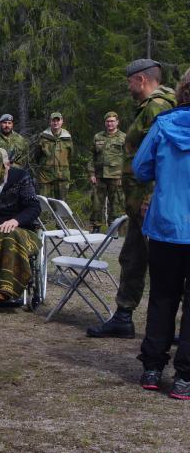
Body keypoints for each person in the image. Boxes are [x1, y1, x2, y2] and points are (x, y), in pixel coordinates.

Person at [87, 59, 176, 338]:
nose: (128, 87)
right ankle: (123, 317)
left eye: (129, 82)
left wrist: (151, 197)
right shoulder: (148, 108)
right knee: (132, 258)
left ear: (141, 79)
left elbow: (163, 156)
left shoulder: (158, 107)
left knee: (166, 265)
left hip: (152, 205)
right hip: (139, 204)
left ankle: (173, 328)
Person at [132, 67, 190, 400]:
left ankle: (153, 368)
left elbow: (140, 168)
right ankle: (185, 377)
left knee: (162, 298)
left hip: (166, 227)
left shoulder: (164, 124)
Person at [0, 148, 41, 303]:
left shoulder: (21, 177)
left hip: (19, 228)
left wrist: (15, 221)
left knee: (9, 236)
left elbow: (34, 207)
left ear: (8, 165)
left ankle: (4, 288)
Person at [87, 111, 126, 233]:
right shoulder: (98, 137)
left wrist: (124, 176)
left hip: (116, 176)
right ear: (105, 123)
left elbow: (129, 158)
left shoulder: (124, 137)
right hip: (99, 176)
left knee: (115, 204)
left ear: (117, 122)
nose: (110, 124)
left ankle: (113, 228)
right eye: (108, 121)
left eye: (112, 121)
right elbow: (91, 156)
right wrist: (91, 173)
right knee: (96, 203)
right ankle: (96, 227)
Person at [31, 112, 72, 200]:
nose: (55, 123)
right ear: (50, 122)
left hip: (62, 175)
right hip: (45, 175)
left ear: (62, 121)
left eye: (58, 120)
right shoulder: (43, 137)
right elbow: (37, 155)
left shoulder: (67, 137)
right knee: (44, 202)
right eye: (53, 120)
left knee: (62, 203)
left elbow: (70, 155)